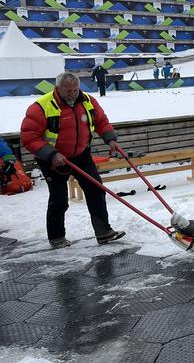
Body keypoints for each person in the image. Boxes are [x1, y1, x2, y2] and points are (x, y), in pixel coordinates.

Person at [20, 72, 126, 249]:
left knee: (96, 190)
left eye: (75, 90)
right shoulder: (41, 107)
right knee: (59, 198)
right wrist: (52, 154)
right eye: (68, 91)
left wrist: (111, 139)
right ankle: (57, 237)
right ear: (58, 88)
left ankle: (104, 232)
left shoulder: (88, 101)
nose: (73, 94)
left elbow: (101, 121)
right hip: (52, 159)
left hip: (81, 154)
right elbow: (29, 137)